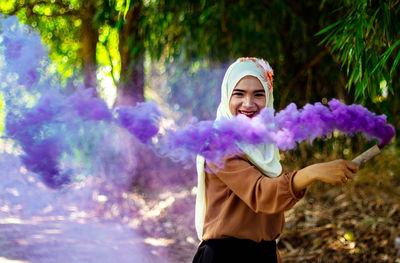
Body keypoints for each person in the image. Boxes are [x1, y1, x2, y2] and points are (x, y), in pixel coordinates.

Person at [192, 58, 359, 263]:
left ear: (268, 98)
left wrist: (272, 252)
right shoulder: (218, 144)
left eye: (258, 94)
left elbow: (265, 213)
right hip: (225, 256)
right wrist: (311, 173)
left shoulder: (263, 144)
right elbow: (260, 193)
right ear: (226, 95)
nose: (248, 103)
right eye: (239, 94)